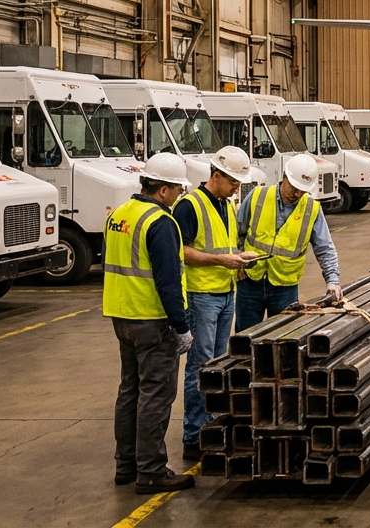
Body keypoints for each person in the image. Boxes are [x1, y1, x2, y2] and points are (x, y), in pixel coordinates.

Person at [103, 152, 195, 494]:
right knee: (155, 394)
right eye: (177, 190)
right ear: (165, 189)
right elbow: (168, 281)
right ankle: (152, 471)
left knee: (130, 390)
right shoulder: (160, 222)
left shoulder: (120, 214)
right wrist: (181, 325)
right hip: (152, 320)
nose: (179, 196)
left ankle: (126, 465)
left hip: (120, 315)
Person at [175, 147, 261, 462]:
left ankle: (210, 425)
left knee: (215, 365)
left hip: (225, 292)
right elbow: (180, 251)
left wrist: (237, 260)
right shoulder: (190, 205)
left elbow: (223, 246)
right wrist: (219, 260)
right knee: (200, 366)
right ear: (216, 175)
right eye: (234, 181)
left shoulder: (225, 204)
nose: (238, 187)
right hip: (201, 297)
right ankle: (193, 436)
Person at [235, 153, 342, 331]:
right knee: (245, 339)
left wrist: (333, 281)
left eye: (303, 190)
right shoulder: (257, 196)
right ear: (284, 177)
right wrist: (237, 260)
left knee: (284, 337)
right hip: (250, 281)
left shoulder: (311, 208)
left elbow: (324, 248)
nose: (298, 193)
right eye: (294, 188)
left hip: (285, 286)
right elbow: (237, 231)